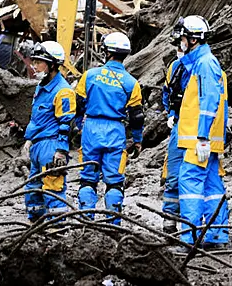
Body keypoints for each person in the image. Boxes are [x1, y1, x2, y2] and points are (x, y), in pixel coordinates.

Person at [75, 32, 144, 225]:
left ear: (106, 51)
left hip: (91, 129)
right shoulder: (132, 83)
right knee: (114, 181)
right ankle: (113, 224)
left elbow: (78, 103)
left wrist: (79, 125)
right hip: (116, 131)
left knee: (88, 178)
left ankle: (86, 223)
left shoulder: (90, 76)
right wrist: (137, 140)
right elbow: (136, 116)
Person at [175, 15, 230, 249]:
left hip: (198, 140)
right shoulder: (202, 62)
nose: (181, 42)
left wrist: (202, 137)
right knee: (211, 186)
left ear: (193, 39)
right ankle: (217, 235)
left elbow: (209, 100)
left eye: (183, 37)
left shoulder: (205, 63)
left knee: (190, 184)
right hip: (204, 139)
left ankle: (188, 238)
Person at [23, 41, 75, 222]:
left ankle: (56, 229)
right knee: (33, 189)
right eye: (34, 61)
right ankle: (36, 226)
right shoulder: (42, 87)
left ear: (52, 65)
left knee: (52, 188)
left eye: (39, 62)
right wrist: (29, 140)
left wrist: (61, 151)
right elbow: (37, 117)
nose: (34, 65)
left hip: (51, 146)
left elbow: (66, 124)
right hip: (38, 146)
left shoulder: (63, 91)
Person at [160, 19, 186, 233]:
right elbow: (167, 92)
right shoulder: (175, 67)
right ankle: (169, 222)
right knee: (173, 175)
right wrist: (170, 113)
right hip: (179, 125)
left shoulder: (204, 66)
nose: (178, 49)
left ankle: (191, 223)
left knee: (194, 178)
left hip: (196, 127)